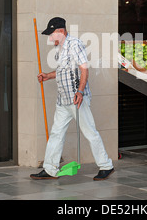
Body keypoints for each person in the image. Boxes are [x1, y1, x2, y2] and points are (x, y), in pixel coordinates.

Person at [30, 17, 114, 181]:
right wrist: (48, 75)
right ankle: (50, 169)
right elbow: (64, 71)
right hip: (63, 100)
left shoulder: (75, 44)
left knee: (90, 132)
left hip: (76, 99)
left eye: (52, 34)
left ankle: (106, 166)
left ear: (60, 31)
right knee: (56, 133)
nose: (50, 38)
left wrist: (80, 91)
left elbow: (84, 69)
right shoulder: (59, 48)